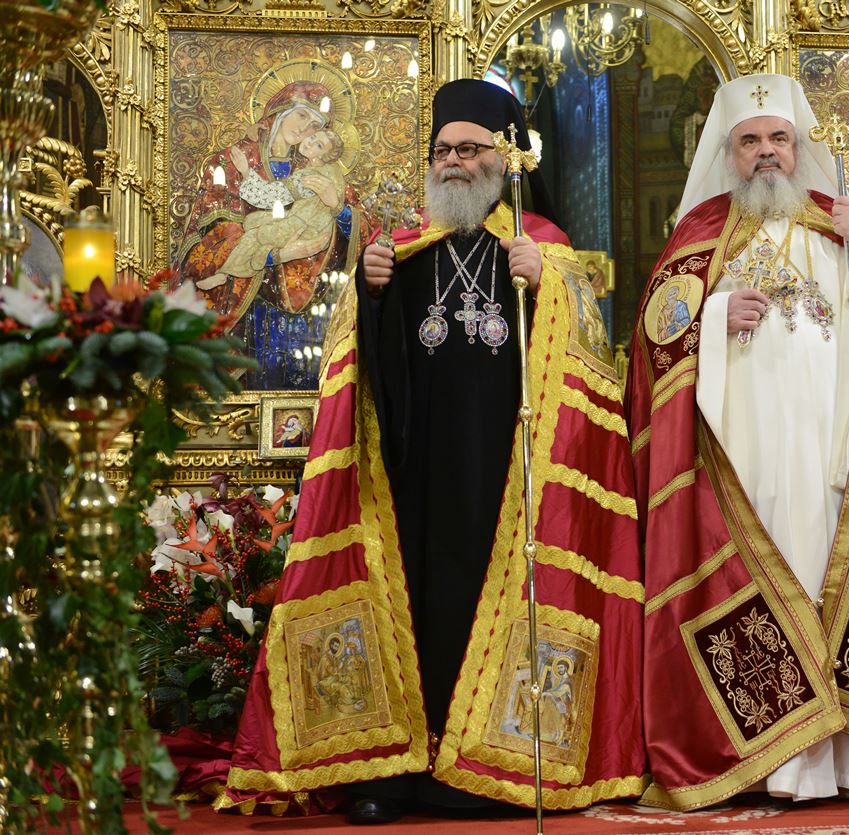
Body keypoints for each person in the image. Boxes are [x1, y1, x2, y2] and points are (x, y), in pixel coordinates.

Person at [220, 79, 646, 823]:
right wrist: (372, 291)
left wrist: (547, 286)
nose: (453, 161)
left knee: (484, 609)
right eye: (443, 150)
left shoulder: (541, 247)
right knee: (412, 616)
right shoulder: (404, 249)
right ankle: (394, 773)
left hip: (507, 480)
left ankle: (494, 767)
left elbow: (591, 361)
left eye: (470, 149)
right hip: (414, 474)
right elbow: (363, 373)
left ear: (503, 160)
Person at [627, 73, 849, 811]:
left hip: (832, 448)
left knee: (830, 578)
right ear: (728, 152)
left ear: (798, 146)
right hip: (742, 461)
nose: (766, 152)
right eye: (750, 141)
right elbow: (653, 343)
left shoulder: (838, 224)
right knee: (768, 576)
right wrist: (712, 318)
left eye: (778, 138)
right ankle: (770, 767)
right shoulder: (699, 234)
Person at [176, 79, 363, 389]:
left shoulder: (318, 173)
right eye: (301, 115)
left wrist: (338, 210)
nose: (305, 129)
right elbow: (208, 235)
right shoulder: (229, 163)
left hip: (310, 306)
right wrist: (275, 255)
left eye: (315, 126)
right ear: (279, 111)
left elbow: (366, 230)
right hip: (252, 304)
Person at [200, 128, 348, 289]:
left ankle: (224, 274)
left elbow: (272, 196)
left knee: (256, 235)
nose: (310, 142)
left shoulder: (310, 177)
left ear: (322, 156)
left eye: (319, 145)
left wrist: (246, 171)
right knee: (253, 222)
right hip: (307, 223)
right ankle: (226, 273)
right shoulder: (330, 172)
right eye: (312, 137)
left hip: (305, 228)